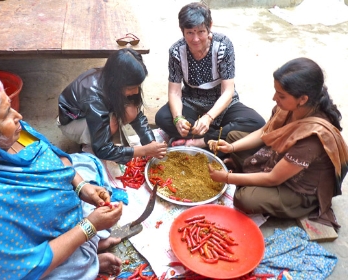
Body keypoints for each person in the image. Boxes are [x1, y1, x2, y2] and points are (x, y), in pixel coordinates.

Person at [0, 77, 124, 279]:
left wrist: (82, 187)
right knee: (70, 271)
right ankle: (83, 255)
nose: (19, 116)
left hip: (62, 216)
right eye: (6, 114)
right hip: (24, 259)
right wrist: (89, 227)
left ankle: (84, 249)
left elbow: (52, 154)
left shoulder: (14, 134)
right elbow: (26, 269)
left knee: (86, 163)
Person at [207, 57, 348, 229]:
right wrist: (232, 148)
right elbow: (265, 132)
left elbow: (273, 178)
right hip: (280, 161)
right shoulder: (290, 106)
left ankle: (303, 205)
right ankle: (244, 169)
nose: (275, 98)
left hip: (298, 187)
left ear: (302, 99)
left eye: (281, 95)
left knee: (244, 199)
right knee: (233, 137)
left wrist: (227, 178)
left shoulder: (312, 138)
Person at [154, 2, 265, 152]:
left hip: (222, 105)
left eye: (201, 32)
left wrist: (208, 118)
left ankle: (202, 141)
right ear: (182, 31)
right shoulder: (176, 51)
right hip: (191, 103)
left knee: (256, 122)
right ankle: (213, 137)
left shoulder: (223, 46)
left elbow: (228, 91)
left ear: (210, 26)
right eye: (190, 33)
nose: (195, 39)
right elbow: (174, 92)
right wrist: (178, 118)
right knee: (162, 117)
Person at [58, 48, 167, 164]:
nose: (136, 91)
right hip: (73, 121)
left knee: (131, 111)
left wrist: (150, 142)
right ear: (117, 83)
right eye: (130, 88)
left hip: (95, 112)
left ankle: (102, 137)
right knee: (111, 126)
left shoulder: (117, 79)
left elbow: (137, 116)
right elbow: (102, 149)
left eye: (137, 86)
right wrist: (143, 151)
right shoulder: (93, 95)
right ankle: (88, 144)